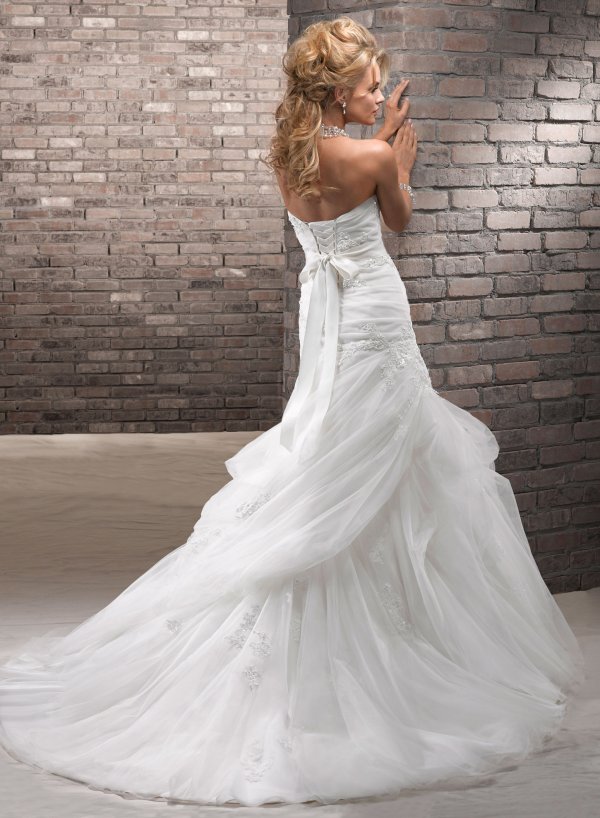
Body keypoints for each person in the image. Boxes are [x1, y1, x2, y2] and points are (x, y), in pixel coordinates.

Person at [0, 16, 586, 809]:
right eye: (371, 86)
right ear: (340, 93)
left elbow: (336, 199)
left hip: (327, 321)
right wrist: (398, 159)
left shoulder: (288, 153)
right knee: (384, 456)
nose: (380, 95)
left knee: (333, 453)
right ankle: (389, 644)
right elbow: (398, 220)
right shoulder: (371, 154)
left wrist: (380, 139)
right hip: (372, 318)